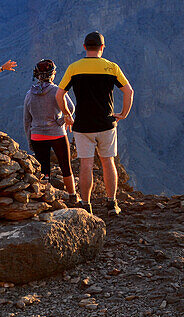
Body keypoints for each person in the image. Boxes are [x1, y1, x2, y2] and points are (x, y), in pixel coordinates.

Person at [56, 32, 134, 215]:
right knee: (108, 163)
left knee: (86, 165)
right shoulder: (111, 68)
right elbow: (129, 91)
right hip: (106, 124)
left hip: (83, 126)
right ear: (102, 47)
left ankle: (86, 205)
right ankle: (111, 203)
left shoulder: (74, 68)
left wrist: (67, 114)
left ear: (84, 47)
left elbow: (59, 94)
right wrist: (123, 114)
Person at [23, 59, 77, 197]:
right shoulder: (57, 91)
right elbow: (70, 108)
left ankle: (46, 196)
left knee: (44, 168)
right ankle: (72, 196)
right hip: (57, 134)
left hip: (37, 136)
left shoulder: (29, 94)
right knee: (66, 166)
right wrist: (60, 121)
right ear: (52, 74)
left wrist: (30, 140)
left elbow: (27, 120)